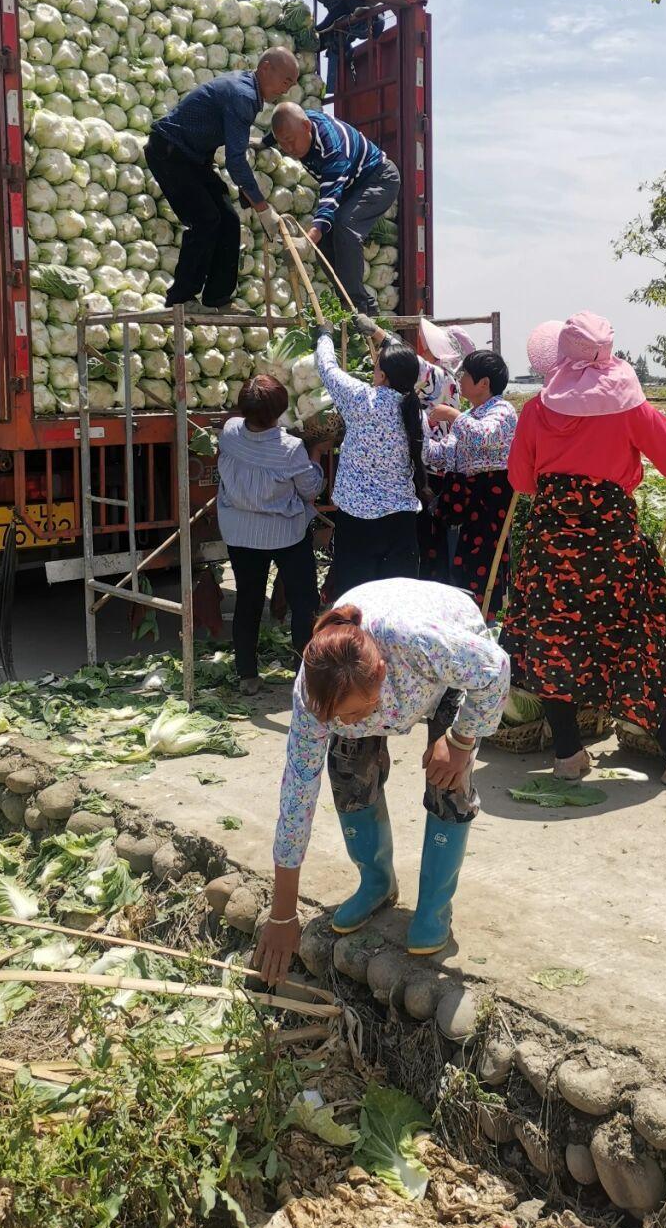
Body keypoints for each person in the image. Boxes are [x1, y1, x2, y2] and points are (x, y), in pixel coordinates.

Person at [501, 311, 666, 787]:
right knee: (633, 643)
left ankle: (568, 755)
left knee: (554, 643)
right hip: (611, 547)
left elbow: (521, 480)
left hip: (551, 545)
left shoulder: (536, 409)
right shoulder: (629, 405)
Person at [252, 578, 510, 982]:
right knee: (347, 768)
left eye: (356, 714)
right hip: (370, 677)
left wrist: (460, 741)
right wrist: (282, 914)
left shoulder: (421, 644)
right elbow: (297, 794)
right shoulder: (313, 693)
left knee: (447, 781)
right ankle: (377, 882)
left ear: (382, 674)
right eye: (336, 718)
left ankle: (434, 907)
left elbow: (494, 669)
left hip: (443, 670)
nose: (347, 723)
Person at [143, 48, 298, 310]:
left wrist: (252, 189)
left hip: (193, 157)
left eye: (292, 84)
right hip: (170, 151)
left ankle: (218, 297)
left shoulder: (247, 91)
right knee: (205, 218)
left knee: (229, 220)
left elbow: (234, 144)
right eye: (286, 81)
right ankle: (180, 298)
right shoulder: (243, 95)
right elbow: (235, 161)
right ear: (265, 68)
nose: (287, 89)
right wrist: (263, 208)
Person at [216, 375, 325, 695]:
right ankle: (304, 673)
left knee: (248, 599)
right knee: (304, 600)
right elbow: (310, 490)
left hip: (240, 531)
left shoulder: (230, 432)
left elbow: (234, 431)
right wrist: (316, 454)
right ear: (280, 410)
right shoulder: (290, 448)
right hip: (284, 533)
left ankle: (247, 675)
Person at [314, 326, 425, 596]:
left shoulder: (361, 399)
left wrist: (325, 336)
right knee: (396, 600)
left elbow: (327, 368)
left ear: (383, 375)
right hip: (401, 521)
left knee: (357, 599)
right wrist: (382, 336)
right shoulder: (413, 410)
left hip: (357, 521)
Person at [265, 102, 400, 317]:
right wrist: (263, 143)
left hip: (379, 179)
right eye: (283, 143)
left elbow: (328, 202)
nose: (288, 149)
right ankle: (359, 302)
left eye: (291, 141)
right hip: (351, 185)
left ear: (306, 127)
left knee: (346, 226)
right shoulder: (296, 125)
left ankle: (356, 308)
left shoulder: (333, 149)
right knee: (325, 242)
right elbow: (282, 129)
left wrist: (306, 242)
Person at [423, 349, 518, 613]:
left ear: (483, 383)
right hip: (463, 502)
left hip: (488, 503)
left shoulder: (502, 410)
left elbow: (485, 437)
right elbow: (442, 454)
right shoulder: (471, 414)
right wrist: (419, 431)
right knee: (458, 565)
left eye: (465, 374)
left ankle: (483, 619)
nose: (460, 379)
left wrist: (452, 415)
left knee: (482, 563)